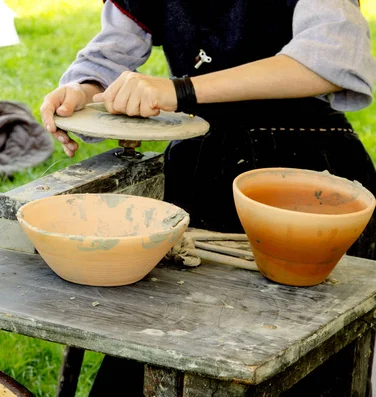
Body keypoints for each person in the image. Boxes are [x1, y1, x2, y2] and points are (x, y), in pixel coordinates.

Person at [40, 0, 376, 395]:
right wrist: (83, 89)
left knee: (293, 350)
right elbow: (110, 55)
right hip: (200, 162)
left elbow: (330, 56)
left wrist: (180, 90)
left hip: (302, 174)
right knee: (160, 336)